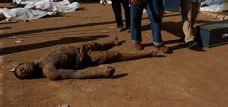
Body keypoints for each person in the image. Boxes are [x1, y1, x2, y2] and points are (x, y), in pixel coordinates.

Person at [12, 37, 158, 80]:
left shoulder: (39, 60)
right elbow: (76, 74)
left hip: (80, 48)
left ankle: (113, 42)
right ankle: (146, 54)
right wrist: (100, 72)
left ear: (24, 63)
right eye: (23, 73)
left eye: (21, 68)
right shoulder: (49, 71)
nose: (24, 70)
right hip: (84, 58)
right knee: (116, 56)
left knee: (98, 44)